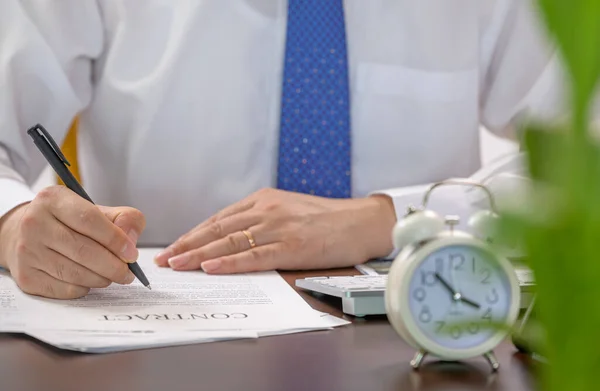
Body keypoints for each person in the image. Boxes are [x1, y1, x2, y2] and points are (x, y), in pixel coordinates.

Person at [0, 0, 563, 299]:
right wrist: (12, 224)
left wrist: (394, 217)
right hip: (154, 337)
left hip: (424, 329)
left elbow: (583, 164)